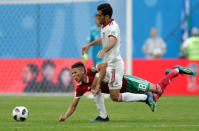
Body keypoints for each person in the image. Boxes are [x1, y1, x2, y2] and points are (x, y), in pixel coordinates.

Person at [59, 62, 195, 122]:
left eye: (75, 73)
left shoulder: (90, 71)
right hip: (120, 91)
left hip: (127, 82)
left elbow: (103, 66)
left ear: (82, 71)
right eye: (72, 73)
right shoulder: (80, 87)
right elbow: (74, 104)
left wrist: (97, 82)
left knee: (158, 89)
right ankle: (170, 74)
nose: (73, 76)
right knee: (156, 97)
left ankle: (176, 70)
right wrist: (65, 116)